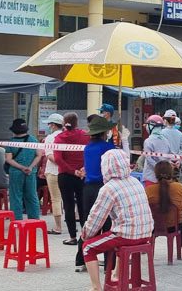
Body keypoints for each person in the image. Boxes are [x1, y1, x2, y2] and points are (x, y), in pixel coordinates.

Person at [81, 149, 154, 291]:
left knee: (88, 248)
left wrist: (85, 235)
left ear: (105, 167)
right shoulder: (135, 181)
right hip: (146, 233)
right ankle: (116, 274)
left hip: (127, 236)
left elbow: (96, 218)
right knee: (118, 235)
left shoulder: (108, 188)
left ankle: (96, 287)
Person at [75, 115, 117, 272]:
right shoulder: (108, 147)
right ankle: (109, 264)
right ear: (104, 132)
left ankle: (81, 260)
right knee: (107, 225)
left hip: (88, 190)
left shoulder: (88, 148)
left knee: (89, 224)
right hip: (104, 187)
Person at [146, 161, 182, 259]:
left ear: (155, 174)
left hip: (154, 226)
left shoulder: (149, 190)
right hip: (174, 226)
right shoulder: (179, 187)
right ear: (171, 173)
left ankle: (145, 245)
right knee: (181, 223)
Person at [54, 112, 89, 245]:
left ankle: (72, 237)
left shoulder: (59, 138)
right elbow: (89, 153)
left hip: (65, 175)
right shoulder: (85, 136)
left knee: (68, 205)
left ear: (64, 123)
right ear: (77, 123)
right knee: (82, 206)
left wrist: (72, 171)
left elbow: (58, 158)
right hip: (82, 175)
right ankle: (84, 235)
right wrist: (82, 169)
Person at [5, 119, 42, 221]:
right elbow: (39, 155)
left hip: (16, 173)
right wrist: (30, 167)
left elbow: (8, 159)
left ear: (14, 130)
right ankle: (34, 220)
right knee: (32, 196)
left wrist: (21, 167)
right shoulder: (34, 140)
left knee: (16, 197)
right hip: (31, 172)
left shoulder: (11, 143)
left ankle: (17, 220)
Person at [42, 113, 65, 235]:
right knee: (68, 199)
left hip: (53, 171)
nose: (49, 126)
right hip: (67, 172)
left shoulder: (50, 138)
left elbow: (50, 157)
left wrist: (61, 164)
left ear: (54, 125)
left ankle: (58, 227)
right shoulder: (67, 136)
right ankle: (71, 226)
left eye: (49, 124)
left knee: (56, 199)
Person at [142, 114, 172, 187]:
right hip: (165, 176)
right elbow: (169, 156)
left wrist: (158, 169)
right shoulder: (165, 140)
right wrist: (163, 170)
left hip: (151, 177)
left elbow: (149, 159)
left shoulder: (148, 141)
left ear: (151, 126)